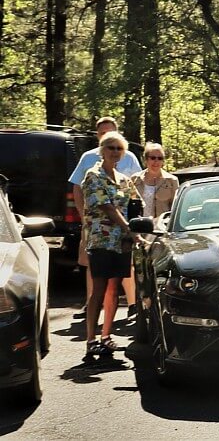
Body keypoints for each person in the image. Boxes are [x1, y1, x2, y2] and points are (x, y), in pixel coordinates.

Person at [69, 117, 142, 317]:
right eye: (102, 133)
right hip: (96, 224)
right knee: (92, 265)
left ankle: (132, 304)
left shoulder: (129, 156)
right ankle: (91, 303)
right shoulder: (88, 158)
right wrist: (83, 214)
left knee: (126, 266)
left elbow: (136, 185)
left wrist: (134, 221)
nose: (108, 138)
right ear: (98, 136)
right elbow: (76, 187)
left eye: (110, 132)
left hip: (123, 224)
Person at [80, 131, 137, 361]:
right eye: (111, 148)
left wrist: (139, 228)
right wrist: (127, 228)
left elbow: (135, 204)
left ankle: (106, 336)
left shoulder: (124, 179)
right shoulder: (93, 176)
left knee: (115, 288)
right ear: (102, 150)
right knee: (99, 287)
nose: (114, 152)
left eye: (118, 149)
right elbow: (106, 207)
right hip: (101, 238)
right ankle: (91, 340)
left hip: (121, 242)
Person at [128, 142, 179, 220]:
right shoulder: (135, 179)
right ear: (146, 159)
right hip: (139, 225)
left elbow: (175, 208)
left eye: (160, 158)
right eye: (153, 158)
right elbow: (130, 203)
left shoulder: (172, 180)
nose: (156, 161)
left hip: (161, 227)